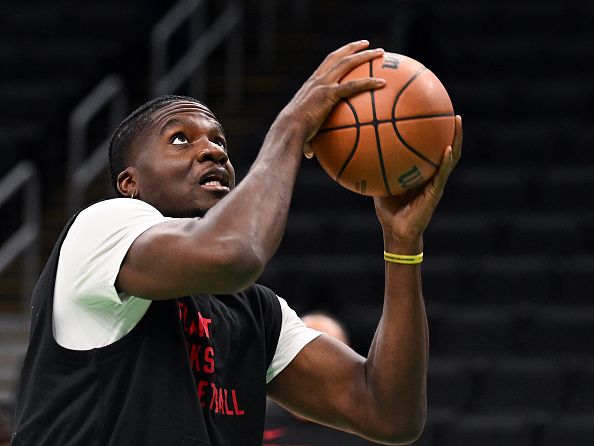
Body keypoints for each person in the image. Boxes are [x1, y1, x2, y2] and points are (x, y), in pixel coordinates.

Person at [11, 41, 462, 446]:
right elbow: (233, 254)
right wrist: (292, 124)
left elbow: (389, 414)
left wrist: (402, 245)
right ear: (129, 183)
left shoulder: (255, 312)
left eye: (220, 141)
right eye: (181, 140)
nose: (213, 151)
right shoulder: (101, 228)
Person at [263, 312, 378, 445]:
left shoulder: (373, 425)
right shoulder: (260, 422)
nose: (315, 368)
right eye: (303, 356)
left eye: (329, 357)